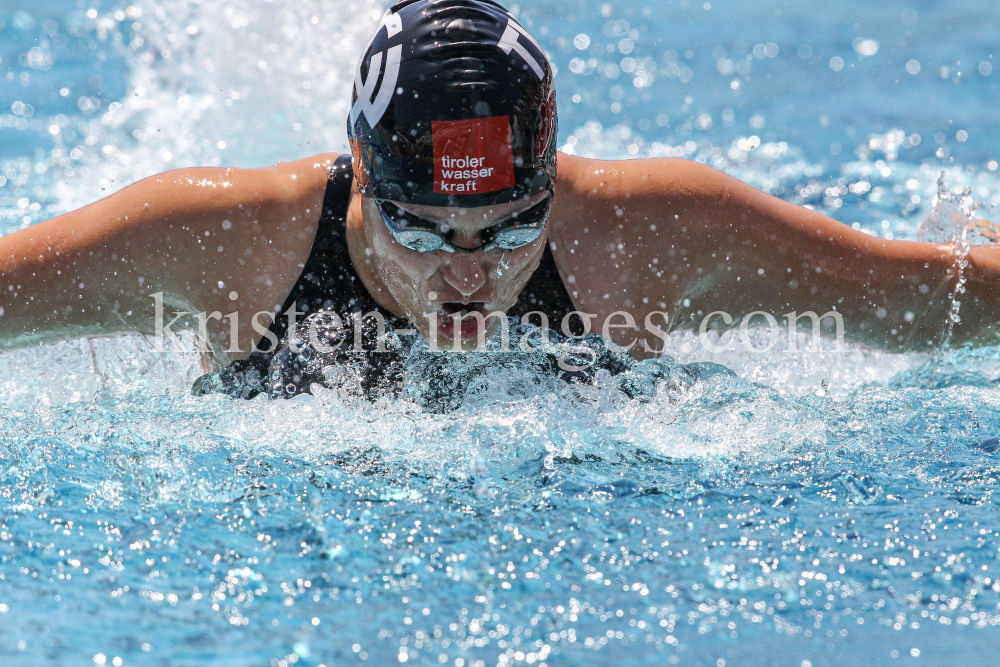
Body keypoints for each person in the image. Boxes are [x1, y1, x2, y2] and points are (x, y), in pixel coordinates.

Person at [2, 0, 999, 399]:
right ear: (359, 167)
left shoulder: (640, 240)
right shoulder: (227, 246)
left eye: (516, 224)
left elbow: (923, 303)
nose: (471, 271)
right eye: (423, 231)